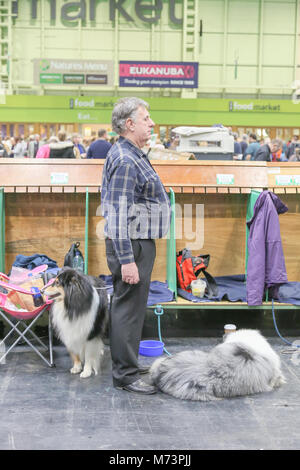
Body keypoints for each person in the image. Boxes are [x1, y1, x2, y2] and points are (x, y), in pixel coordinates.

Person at [101, 97, 171, 395]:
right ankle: (125, 375)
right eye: (146, 118)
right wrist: (127, 260)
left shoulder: (132, 153)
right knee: (128, 310)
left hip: (138, 242)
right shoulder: (127, 160)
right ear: (129, 124)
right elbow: (116, 215)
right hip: (132, 245)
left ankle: (126, 363)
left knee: (131, 307)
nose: (152, 123)